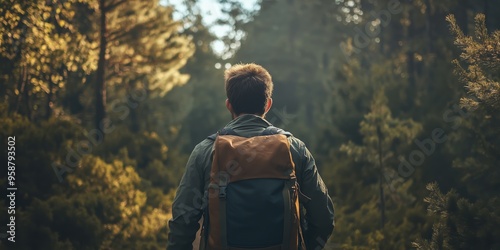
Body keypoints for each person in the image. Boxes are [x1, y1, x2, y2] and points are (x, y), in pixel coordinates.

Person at [167, 63, 334, 249]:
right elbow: (324, 218)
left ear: (228, 105)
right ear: (268, 104)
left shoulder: (205, 151)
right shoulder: (295, 148)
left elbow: (182, 222)